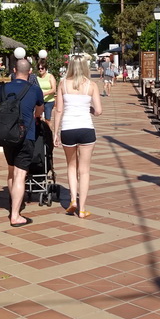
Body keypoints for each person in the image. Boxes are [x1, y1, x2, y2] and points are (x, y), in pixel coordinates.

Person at [52, 56, 102, 218]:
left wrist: (55, 132)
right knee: (85, 170)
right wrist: (90, 110)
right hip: (86, 128)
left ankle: (73, 199)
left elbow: (58, 110)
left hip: (68, 129)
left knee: (71, 166)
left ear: (71, 66)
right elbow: (99, 111)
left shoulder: (63, 84)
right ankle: (82, 208)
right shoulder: (92, 85)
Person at [0, 58, 44, 228]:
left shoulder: (2, 88)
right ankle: (15, 215)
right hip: (26, 135)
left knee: (11, 171)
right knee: (20, 175)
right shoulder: (35, 90)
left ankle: (13, 204)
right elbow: (39, 110)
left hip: (7, 135)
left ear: (14, 71)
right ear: (30, 72)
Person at [35, 59, 57, 124]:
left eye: (42, 68)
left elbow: (54, 89)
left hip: (49, 101)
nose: (40, 70)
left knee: (47, 120)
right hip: (39, 101)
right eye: (39, 68)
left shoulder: (50, 77)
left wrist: (44, 94)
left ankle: (48, 132)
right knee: (37, 118)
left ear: (45, 68)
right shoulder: (36, 78)